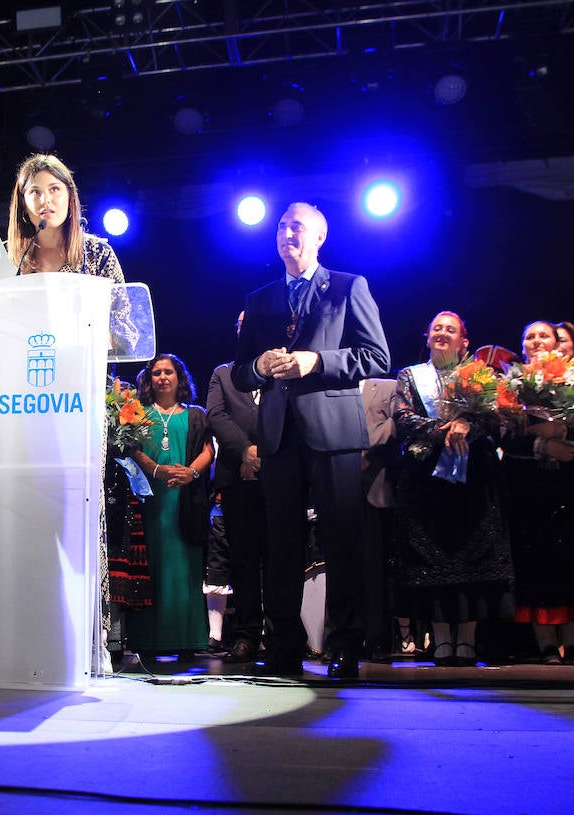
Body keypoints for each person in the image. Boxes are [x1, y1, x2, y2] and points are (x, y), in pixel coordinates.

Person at [0, 153, 137, 674]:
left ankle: (87, 642)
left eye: (55, 189)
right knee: (10, 512)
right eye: (35, 192)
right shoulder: (7, 262)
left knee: (72, 515)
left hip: (73, 410)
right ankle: (17, 640)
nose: (45, 199)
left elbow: (123, 329)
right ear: (22, 201)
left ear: (70, 197)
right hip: (16, 412)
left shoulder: (97, 256)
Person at [231, 202, 391, 678]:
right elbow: (240, 372)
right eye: (281, 227)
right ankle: (283, 644)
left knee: (342, 539)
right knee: (281, 543)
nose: (286, 233)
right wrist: (259, 367)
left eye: (296, 226)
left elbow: (376, 357)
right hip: (279, 435)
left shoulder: (347, 286)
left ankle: (344, 643)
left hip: (335, 432)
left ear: (320, 236)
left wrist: (315, 362)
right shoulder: (259, 299)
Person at [391, 311, 514, 668]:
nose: (442, 333)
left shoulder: (481, 376)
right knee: (432, 560)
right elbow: (402, 418)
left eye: (451, 329)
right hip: (426, 480)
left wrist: (466, 423)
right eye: (436, 329)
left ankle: (469, 639)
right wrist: (442, 429)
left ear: (464, 341)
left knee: (474, 557)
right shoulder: (411, 377)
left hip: (475, 479)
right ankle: (442, 638)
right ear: (427, 337)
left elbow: (495, 417)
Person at [504, 321, 574, 664]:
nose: (537, 340)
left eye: (544, 335)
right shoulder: (510, 384)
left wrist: (563, 430)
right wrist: (542, 444)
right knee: (535, 562)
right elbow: (503, 435)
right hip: (528, 483)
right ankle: (545, 645)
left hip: (573, 479)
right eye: (530, 335)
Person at [126, 354, 214, 659]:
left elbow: (208, 450)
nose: (163, 377)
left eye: (169, 372)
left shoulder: (196, 414)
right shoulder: (137, 414)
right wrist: (156, 470)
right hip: (150, 501)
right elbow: (133, 450)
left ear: (180, 378)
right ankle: (147, 641)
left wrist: (191, 473)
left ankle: (188, 640)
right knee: (150, 567)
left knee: (184, 569)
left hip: (186, 501)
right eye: (157, 373)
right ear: (149, 379)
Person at [206, 323, 271, 664]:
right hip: (236, 477)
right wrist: (245, 451)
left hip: (278, 475)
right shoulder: (224, 373)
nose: (249, 330)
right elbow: (216, 416)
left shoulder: (282, 369)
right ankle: (247, 636)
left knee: (279, 560)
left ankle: (281, 635)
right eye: (243, 326)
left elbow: (294, 414)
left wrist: (261, 453)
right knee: (243, 561)